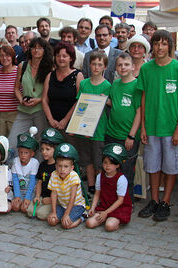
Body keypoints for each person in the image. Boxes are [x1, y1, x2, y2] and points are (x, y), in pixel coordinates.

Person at [137, 30, 178, 222]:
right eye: (157, 44)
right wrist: (143, 127)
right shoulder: (146, 69)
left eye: (164, 44)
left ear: (170, 46)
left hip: (171, 127)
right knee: (152, 166)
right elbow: (143, 98)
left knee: (171, 167)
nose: (160, 48)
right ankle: (154, 200)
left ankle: (165, 201)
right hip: (151, 127)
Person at [104, 53, 141, 192]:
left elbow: (139, 112)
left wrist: (131, 136)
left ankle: (127, 201)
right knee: (111, 169)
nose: (123, 67)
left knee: (126, 171)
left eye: (126, 64)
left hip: (127, 137)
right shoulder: (115, 84)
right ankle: (112, 199)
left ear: (133, 67)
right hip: (111, 133)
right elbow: (115, 104)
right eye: (120, 65)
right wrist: (101, 100)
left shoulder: (137, 85)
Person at [8, 37, 52, 151]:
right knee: (13, 141)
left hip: (41, 110)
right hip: (24, 110)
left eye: (40, 48)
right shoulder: (23, 66)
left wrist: (38, 100)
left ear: (44, 50)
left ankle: (39, 168)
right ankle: (14, 167)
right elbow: (16, 88)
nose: (36, 50)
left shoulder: (49, 68)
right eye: (34, 47)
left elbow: (51, 91)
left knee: (40, 142)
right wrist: (21, 99)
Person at [75, 51, 110, 193]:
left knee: (98, 162)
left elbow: (112, 105)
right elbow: (80, 106)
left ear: (105, 67)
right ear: (89, 65)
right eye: (94, 64)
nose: (96, 67)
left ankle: (99, 188)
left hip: (99, 130)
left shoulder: (107, 85)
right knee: (86, 160)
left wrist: (106, 101)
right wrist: (78, 127)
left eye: (99, 65)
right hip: (83, 129)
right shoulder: (83, 83)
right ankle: (91, 186)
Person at [86, 143, 133, 231]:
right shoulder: (100, 176)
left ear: (117, 165)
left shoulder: (121, 179)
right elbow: (97, 194)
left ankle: (115, 220)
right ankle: (104, 217)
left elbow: (120, 200)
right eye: (105, 163)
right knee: (89, 223)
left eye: (111, 163)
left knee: (109, 226)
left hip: (119, 208)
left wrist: (106, 213)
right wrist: (92, 208)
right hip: (105, 206)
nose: (107, 166)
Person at [43, 42, 84, 135]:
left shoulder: (78, 75)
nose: (61, 58)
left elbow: (80, 101)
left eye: (64, 56)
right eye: (58, 55)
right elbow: (44, 99)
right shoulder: (50, 75)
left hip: (70, 125)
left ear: (71, 58)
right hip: (51, 123)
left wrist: (65, 120)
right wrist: (50, 119)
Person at [47, 143, 86, 229]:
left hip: (76, 205)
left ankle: (82, 217)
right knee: (52, 221)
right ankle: (63, 216)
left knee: (66, 225)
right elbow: (54, 194)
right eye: (60, 166)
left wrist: (66, 214)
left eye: (66, 166)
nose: (62, 169)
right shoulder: (54, 175)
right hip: (62, 205)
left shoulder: (73, 176)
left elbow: (73, 197)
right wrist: (53, 212)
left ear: (72, 167)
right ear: (56, 166)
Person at [29, 128, 64, 220]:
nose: (44, 152)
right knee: (29, 211)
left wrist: (52, 200)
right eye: (42, 149)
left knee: (41, 214)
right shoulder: (42, 165)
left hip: (55, 199)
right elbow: (39, 182)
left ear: (56, 150)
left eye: (48, 149)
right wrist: (37, 196)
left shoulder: (60, 167)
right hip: (43, 196)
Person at [0, 45, 19, 137]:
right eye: (2, 55)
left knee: (14, 143)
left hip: (14, 114)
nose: (4, 58)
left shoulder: (19, 71)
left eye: (7, 55)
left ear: (12, 56)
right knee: (0, 144)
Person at [11, 131, 40, 213]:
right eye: (21, 152)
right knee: (15, 207)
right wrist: (17, 196)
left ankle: (26, 201)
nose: (23, 155)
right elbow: (15, 180)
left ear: (32, 154)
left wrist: (27, 197)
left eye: (26, 153)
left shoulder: (34, 163)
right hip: (19, 190)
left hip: (30, 191)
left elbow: (32, 181)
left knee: (24, 209)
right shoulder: (15, 161)